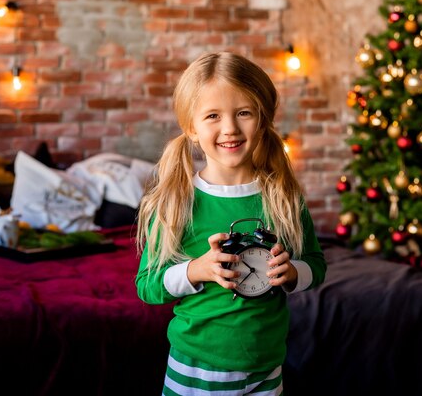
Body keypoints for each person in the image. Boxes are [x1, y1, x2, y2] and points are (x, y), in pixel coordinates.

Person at [135, 51, 326, 396]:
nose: (230, 129)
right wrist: (197, 269)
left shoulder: (283, 197)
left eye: (243, 113)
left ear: (263, 119)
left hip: (266, 367)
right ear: (192, 128)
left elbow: (316, 265)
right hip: (196, 368)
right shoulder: (178, 201)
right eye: (213, 116)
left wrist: (294, 272)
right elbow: (147, 286)